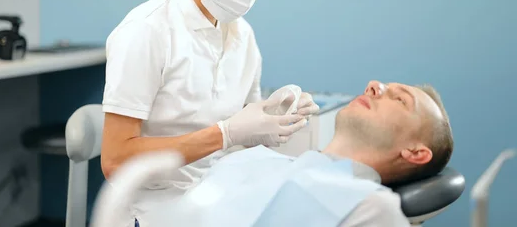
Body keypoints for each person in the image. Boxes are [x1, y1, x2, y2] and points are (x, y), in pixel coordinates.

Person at [100, 0, 319, 225]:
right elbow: (116, 160)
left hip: (220, 194)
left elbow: (243, 132)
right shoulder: (146, 32)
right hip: (154, 207)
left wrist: (274, 119)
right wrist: (224, 134)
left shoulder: (242, 34)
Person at [145, 80, 454, 227]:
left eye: (400, 100)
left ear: (415, 152)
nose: (375, 86)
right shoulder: (253, 158)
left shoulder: (373, 208)